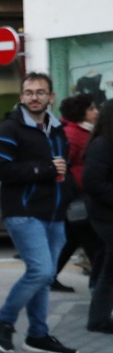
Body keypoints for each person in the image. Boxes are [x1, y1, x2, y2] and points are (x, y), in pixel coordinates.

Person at [0, 73, 78, 353]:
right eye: (28, 92)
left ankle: (37, 334)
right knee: (41, 270)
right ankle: (3, 320)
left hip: (54, 213)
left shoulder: (57, 128)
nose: (34, 97)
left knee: (44, 277)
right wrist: (44, 169)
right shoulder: (10, 128)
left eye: (40, 92)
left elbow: (64, 168)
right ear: (21, 96)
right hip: (23, 212)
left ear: (51, 96)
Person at [52, 92, 102, 292]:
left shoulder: (83, 131)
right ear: (80, 112)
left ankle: (49, 277)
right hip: (77, 197)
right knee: (95, 244)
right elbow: (64, 165)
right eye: (91, 108)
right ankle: (99, 286)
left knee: (72, 240)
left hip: (79, 197)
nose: (96, 112)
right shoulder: (72, 134)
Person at [81, 100, 113, 333]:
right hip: (105, 216)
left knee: (108, 266)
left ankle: (99, 317)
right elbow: (94, 183)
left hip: (106, 214)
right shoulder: (102, 145)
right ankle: (98, 318)